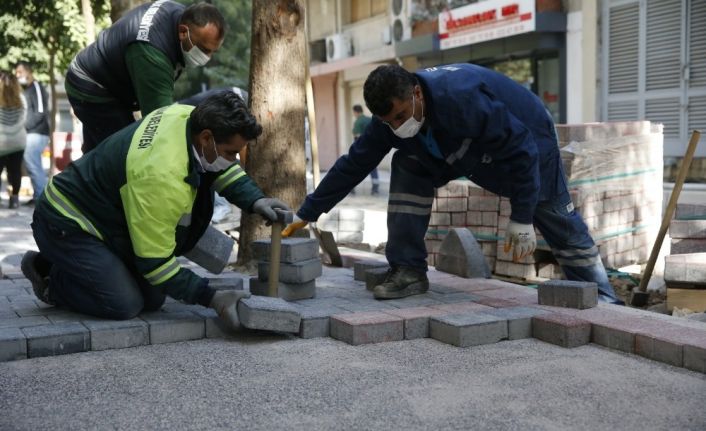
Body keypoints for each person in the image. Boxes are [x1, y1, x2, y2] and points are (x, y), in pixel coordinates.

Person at [284, 64, 619, 303]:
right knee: (408, 162)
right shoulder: (389, 122)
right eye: (388, 122)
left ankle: (603, 299)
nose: (396, 126)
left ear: (416, 92)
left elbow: (522, 150)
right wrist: (309, 211)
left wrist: (521, 217)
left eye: (400, 116)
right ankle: (408, 270)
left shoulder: (462, 98)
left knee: (554, 214)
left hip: (528, 136)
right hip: (457, 147)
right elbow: (354, 165)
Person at [21, 91, 290, 327]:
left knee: (152, 298)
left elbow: (219, 169)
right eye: (232, 152)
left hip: (103, 213)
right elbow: (157, 265)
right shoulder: (161, 177)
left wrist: (255, 200)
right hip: (65, 220)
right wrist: (212, 298)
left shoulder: (189, 118)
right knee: (124, 304)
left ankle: (85, 267)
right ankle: (50, 277)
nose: (234, 161)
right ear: (207, 138)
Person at [65, 1, 226, 153]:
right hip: (92, 86)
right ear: (183, 32)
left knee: (96, 155)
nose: (208, 57)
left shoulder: (177, 14)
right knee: (122, 156)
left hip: (109, 83)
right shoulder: (152, 55)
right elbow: (159, 123)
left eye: (213, 51)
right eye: (204, 50)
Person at [15, 61, 49, 205]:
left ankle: (42, 197)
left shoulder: (36, 87)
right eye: (16, 73)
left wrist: (24, 127)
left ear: (28, 72)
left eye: (20, 72)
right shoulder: (26, 89)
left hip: (37, 133)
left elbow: (41, 112)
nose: (18, 75)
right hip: (31, 133)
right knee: (34, 165)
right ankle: (39, 195)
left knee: (33, 165)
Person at [0, 71, 26, 209]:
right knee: (15, 171)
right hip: (18, 141)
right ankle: (14, 199)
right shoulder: (22, 99)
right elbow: (24, 119)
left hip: (1, 142)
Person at [351, 104, 379, 195]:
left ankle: (352, 189)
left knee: (356, 168)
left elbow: (357, 136)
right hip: (374, 148)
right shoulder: (370, 119)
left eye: (354, 113)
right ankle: (375, 189)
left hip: (362, 150)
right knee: (373, 169)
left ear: (356, 112)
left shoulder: (358, 122)